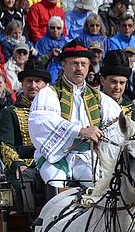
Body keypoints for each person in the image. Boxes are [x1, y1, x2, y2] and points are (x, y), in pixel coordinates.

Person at [28, 40, 123, 189]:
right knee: (56, 183)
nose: (79, 68)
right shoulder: (49, 93)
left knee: (99, 185)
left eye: (83, 64)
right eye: (74, 63)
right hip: (56, 158)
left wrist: (102, 138)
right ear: (63, 65)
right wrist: (80, 131)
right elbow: (42, 121)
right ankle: (54, 213)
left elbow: (117, 129)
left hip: (87, 157)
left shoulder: (99, 98)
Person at [0, 66, 51, 184]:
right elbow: (5, 145)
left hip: (52, 163)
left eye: (37, 81)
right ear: (22, 84)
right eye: (29, 81)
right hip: (25, 166)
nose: (33, 85)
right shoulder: (10, 112)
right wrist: (18, 164)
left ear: (46, 85)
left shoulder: (55, 112)